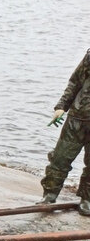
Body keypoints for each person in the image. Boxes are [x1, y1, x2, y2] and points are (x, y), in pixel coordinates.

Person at [40, 49, 90, 215]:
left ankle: (87, 199)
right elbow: (75, 82)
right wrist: (61, 107)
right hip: (77, 117)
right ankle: (49, 194)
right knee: (60, 158)